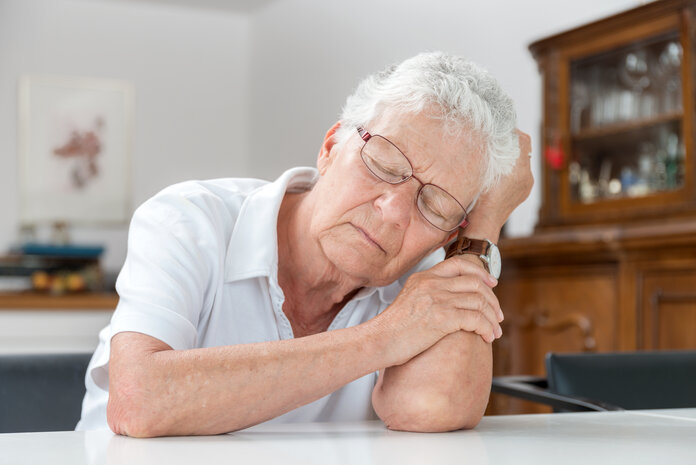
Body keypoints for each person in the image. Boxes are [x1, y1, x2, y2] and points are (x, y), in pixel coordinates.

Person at [76, 51, 533, 437]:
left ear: (451, 231)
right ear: (331, 147)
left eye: (435, 204)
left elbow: (432, 408)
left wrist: (483, 229)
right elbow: (139, 401)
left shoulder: (424, 284)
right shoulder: (188, 220)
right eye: (385, 164)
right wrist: (387, 337)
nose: (394, 209)